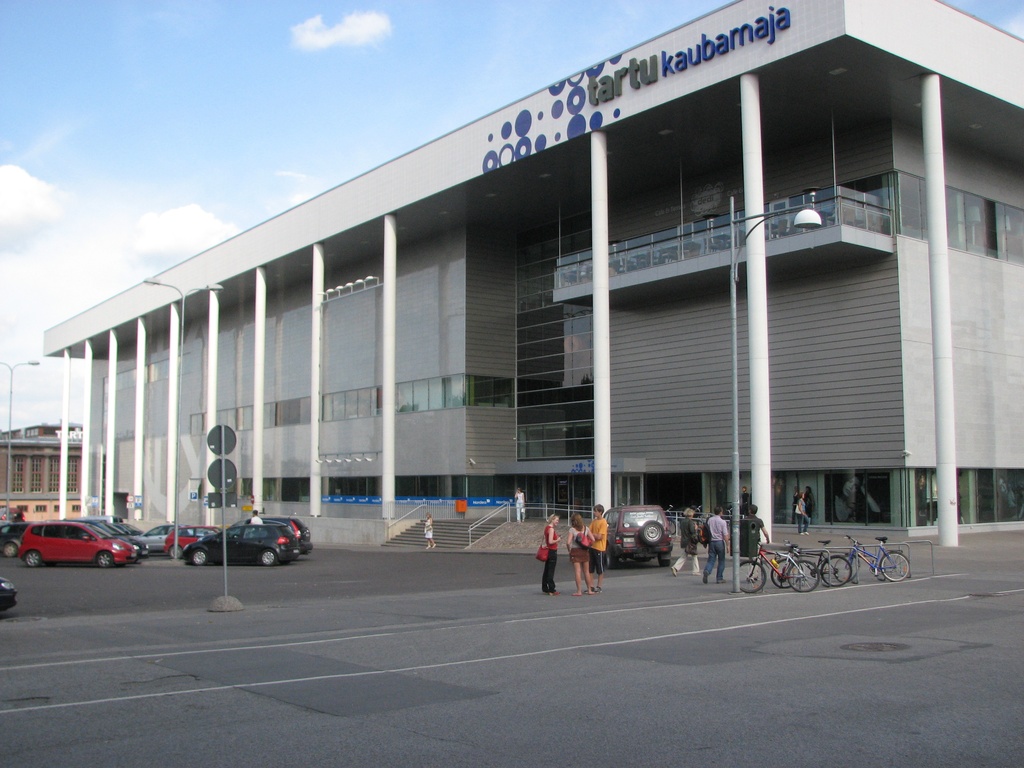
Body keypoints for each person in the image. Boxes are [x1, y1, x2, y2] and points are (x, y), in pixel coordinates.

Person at [566, 512, 595, 596]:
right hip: (584, 551)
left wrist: (569, 550)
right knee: (586, 571)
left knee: (578, 572)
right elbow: (593, 539)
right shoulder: (586, 528)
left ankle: (579, 591)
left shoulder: (572, 530)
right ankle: (589, 590)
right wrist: (588, 545)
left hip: (575, 551)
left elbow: (568, 543)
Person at [702, 506, 730, 584]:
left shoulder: (710, 520)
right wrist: (728, 545)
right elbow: (725, 535)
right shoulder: (722, 522)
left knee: (711, 559)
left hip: (711, 542)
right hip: (719, 542)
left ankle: (707, 570)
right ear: (721, 512)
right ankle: (719, 578)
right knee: (721, 560)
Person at [671, 507, 701, 575]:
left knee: (684, 555)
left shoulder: (682, 521)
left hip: (683, 541)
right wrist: (696, 528)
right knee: (694, 555)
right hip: (690, 541)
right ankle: (695, 571)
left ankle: (675, 567)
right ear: (691, 514)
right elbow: (692, 532)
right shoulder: (690, 522)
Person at [588, 504, 608, 593]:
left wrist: (593, 534)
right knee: (590, 568)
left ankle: (599, 586)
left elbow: (599, 536)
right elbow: (588, 532)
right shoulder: (594, 521)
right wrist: (593, 535)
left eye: (596, 511)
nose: (594, 513)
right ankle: (591, 586)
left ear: (600, 512)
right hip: (592, 547)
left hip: (599, 548)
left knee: (600, 568)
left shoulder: (603, 522)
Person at [541, 514, 560, 595]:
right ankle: (551, 588)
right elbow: (550, 541)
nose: (557, 522)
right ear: (552, 520)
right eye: (556, 520)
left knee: (546, 569)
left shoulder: (546, 528)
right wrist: (558, 539)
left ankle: (545, 587)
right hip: (552, 551)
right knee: (551, 570)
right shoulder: (551, 529)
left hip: (548, 550)